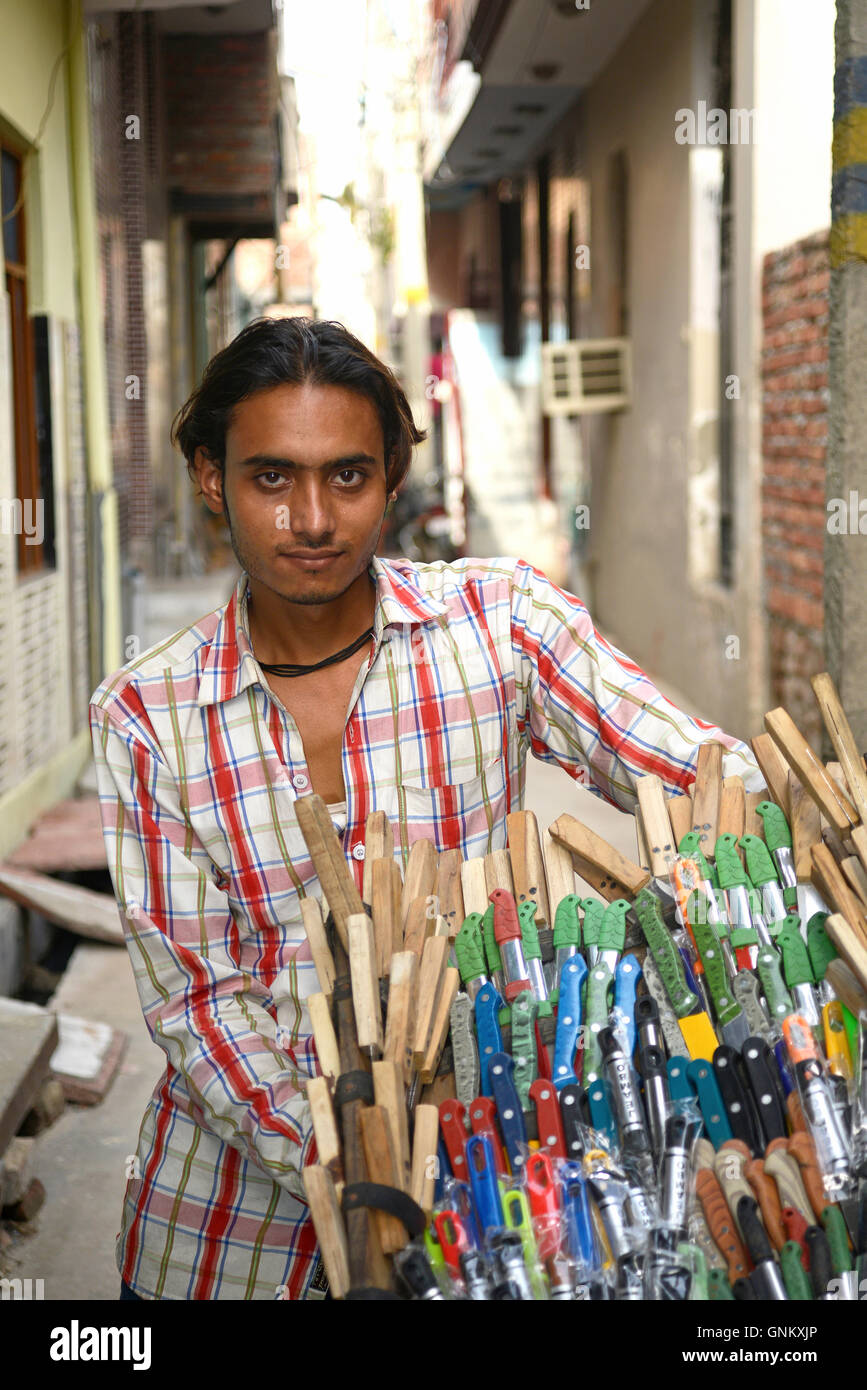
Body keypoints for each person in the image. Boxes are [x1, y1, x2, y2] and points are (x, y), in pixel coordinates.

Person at [89, 316, 761, 1301]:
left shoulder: (498, 626)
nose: (313, 518)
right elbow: (202, 1006)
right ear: (209, 475)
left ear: (393, 478)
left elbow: (703, 770)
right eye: (272, 477)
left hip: (482, 1214)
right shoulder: (147, 718)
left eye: (348, 476)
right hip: (228, 1234)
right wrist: (371, 1167)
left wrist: (724, 859)